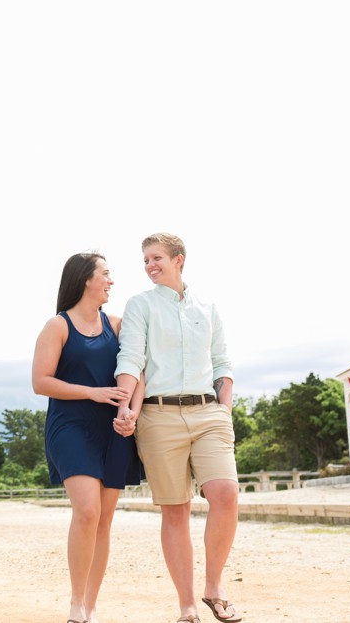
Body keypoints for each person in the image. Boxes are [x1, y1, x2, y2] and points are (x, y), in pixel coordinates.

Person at [114, 233, 241, 623]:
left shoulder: (209, 307)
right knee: (176, 511)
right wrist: (124, 407)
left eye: (156, 258)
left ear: (178, 259)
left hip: (209, 414)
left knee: (226, 494)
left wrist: (225, 410)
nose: (150, 266)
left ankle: (214, 588)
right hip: (158, 417)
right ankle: (186, 605)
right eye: (145, 261)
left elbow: (222, 362)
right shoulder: (140, 305)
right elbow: (132, 357)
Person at [32, 251, 143, 623]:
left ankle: (92, 608)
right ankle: (76, 604)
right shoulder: (57, 326)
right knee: (87, 510)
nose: (111, 281)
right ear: (85, 280)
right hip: (71, 427)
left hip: (114, 430)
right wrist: (93, 392)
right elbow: (40, 382)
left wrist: (132, 413)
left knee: (104, 519)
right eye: (106, 274)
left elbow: (137, 372)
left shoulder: (118, 324)